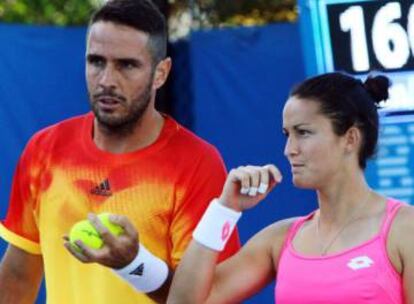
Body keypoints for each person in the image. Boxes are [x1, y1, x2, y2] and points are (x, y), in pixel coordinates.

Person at [0, 0, 240, 303]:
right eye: (96, 61)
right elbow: (19, 275)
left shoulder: (198, 164)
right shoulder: (44, 149)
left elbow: (208, 298)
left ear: (161, 73)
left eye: (127, 65)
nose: (107, 80)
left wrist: (135, 265)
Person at [167, 72, 414, 303]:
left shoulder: (405, 229)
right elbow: (184, 301)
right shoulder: (280, 238)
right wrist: (224, 209)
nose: (289, 150)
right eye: (287, 135)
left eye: (303, 133)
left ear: (350, 138)